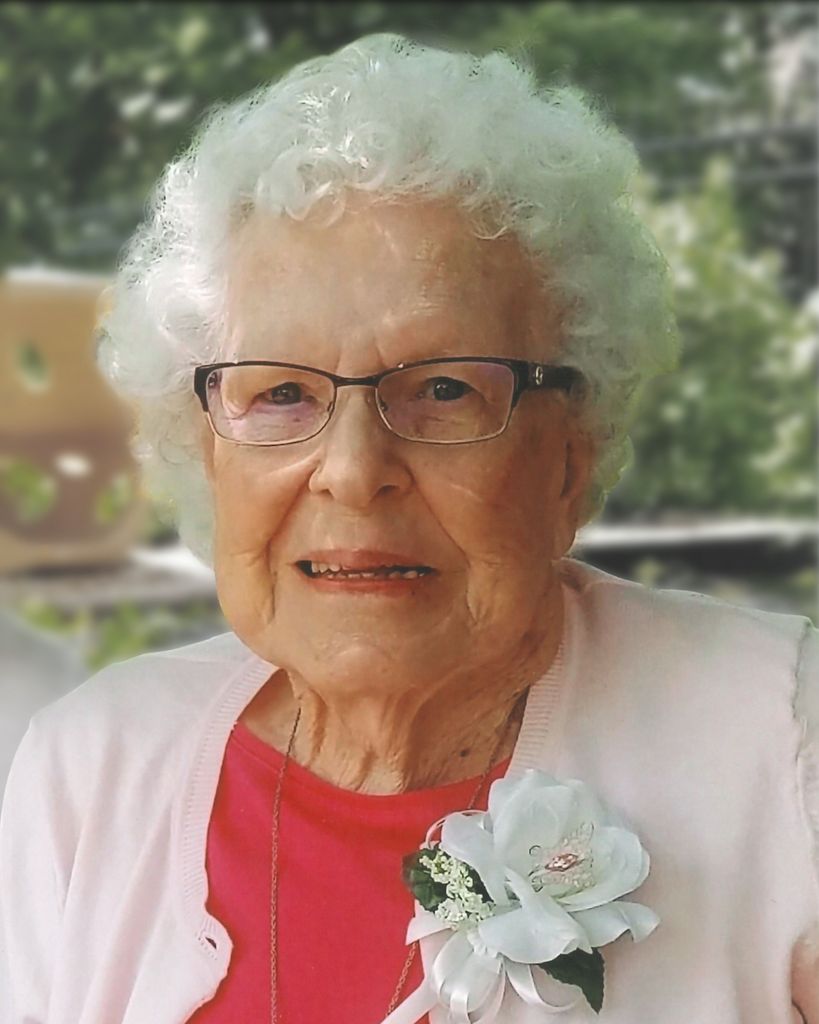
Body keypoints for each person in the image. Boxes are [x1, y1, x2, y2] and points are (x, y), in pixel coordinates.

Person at [1, 32, 817, 1024]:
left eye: (442, 389)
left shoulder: (784, 740)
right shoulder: (90, 771)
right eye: (281, 393)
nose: (352, 471)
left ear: (570, 453)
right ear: (208, 449)